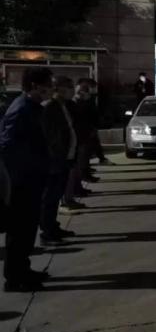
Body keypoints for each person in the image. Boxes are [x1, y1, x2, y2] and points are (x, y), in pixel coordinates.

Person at [0, 67, 53, 291]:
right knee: (19, 231)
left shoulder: (32, 108)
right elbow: (7, 146)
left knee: (28, 229)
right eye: (47, 85)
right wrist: (20, 176)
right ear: (34, 86)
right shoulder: (21, 110)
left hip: (32, 178)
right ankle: (14, 278)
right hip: (22, 182)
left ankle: (23, 269)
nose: (51, 89)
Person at [39, 76, 78, 244]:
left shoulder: (63, 105)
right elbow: (50, 136)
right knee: (49, 197)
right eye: (68, 87)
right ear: (59, 88)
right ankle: (47, 231)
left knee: (55, 196)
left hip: (65, 157)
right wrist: (56, 156)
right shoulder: (49, 107)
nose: (71, 90)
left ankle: (53, 226)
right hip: (55, 160)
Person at [61, 81, 93, 213]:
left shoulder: (70, 104)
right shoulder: (63, 105)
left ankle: (74, 192)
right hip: (69, 146)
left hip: (78, 140)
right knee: (70, 173)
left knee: (76, 169)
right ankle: (68, 199)